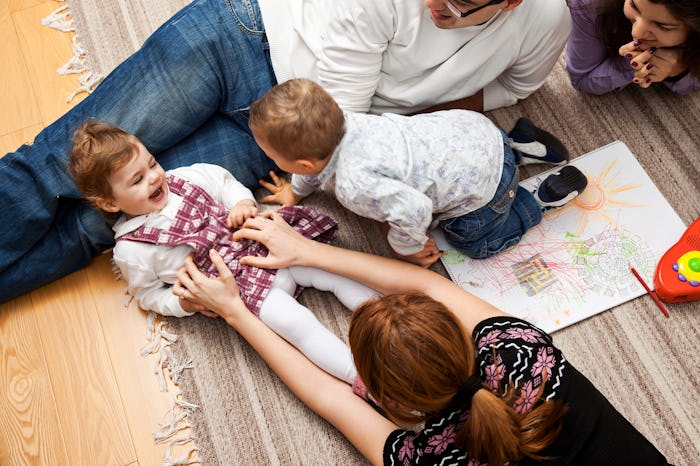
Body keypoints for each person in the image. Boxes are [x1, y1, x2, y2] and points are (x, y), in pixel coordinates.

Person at [0, 0, 571, 303]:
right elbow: (336, 113)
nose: (434, 6)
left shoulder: (545, 23)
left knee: (110, 222)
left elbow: (514, 87)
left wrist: (425, 114)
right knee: (57, 165)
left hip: (297, 138)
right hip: (246, 40)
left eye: (459, 3)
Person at [172, 211, 672, 465]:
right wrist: (307, 251)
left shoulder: (427, 457)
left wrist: (236, 312)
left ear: (381, 397)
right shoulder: (522, 348)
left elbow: (327, 396)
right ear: (458, 337)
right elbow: (428, 285)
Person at [68, 121, 379, 387]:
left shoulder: (186, 179)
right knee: (299, 325)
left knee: (332, 273)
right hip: (242, 292)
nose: (153, 177)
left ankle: (387, 313)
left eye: (151, 163)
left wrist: (243, 203)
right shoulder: (131, 250)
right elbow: (148, 295)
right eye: (137, 180)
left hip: (263, 248)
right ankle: (359, 377)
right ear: (111, 203)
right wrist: (182, 302)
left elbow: (225, 182)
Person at [249, 79, 588, 267]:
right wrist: (295, 193)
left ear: (304, 164)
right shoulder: (345, 120)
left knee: (473, 241)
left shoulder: (355, 186)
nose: (267, 157)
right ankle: (518, 144)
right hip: (478, 133)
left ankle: (535, 202)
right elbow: (316, 168)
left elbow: (415, 210)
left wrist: (406, 249)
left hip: (488, 190)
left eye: (270, 154)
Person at [566, 0, 700, 94]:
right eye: (633, 5)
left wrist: (680, 70)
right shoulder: (591, 5)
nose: (636, 33)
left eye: (662, 26)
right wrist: (637, 62)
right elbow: (581, 80)